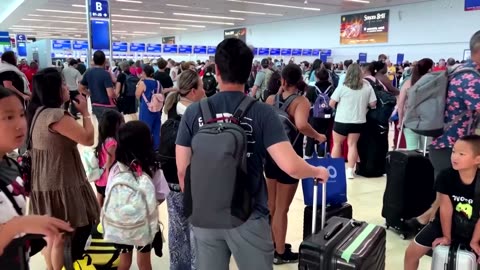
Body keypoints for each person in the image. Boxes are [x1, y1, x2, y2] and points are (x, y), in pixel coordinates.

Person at [175, 38, 329, 270]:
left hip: (204, 216)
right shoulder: (262, 113)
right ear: (250, 72)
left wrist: (202, 202)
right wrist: (317, 170)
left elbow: (182, 170)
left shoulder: (193, 112)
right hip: (248, 215)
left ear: (216, 70)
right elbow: (290, 166)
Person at [406, 30, 480, 231]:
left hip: (445, 144)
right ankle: (432, 233)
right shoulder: (471, 80)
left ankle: (422, 222)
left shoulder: (458, 70)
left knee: (444, 195)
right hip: (453, 148)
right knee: (449, 197)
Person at [27, 68, 100, 270]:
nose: (67, 87)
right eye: (63, 84)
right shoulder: (56, 116)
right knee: (60, 235)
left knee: (52, 235)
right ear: (55, 89)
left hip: (44, 181)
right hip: (59, 180)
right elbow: (88, 138)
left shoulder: (38, 111)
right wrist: (86, 113)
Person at [0, 86, 73, 269]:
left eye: (22, 114)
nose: (20, 124)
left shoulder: (12, 166)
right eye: (8, 117)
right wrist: (19, 226)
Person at [264, 64, 327, 265]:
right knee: (282, 209)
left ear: (282, 80)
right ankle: (280, 252)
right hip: (290, 157)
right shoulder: (301, 101)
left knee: (271, 206)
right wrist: (317, 136)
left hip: (271, 156)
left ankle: (273, 244)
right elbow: (300, 125)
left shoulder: (270, 100)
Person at [404, 135, 480, 270]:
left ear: (477, 159)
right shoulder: (446, 176)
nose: (454, 157)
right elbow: (445, 208)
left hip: (475, 226)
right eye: (453, 151)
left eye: (462, 154)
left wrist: (474, 241)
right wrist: (446, 236)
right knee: (411, 254)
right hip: (445, 223)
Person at [109, 121, 169, 270]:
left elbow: (109, 192)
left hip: (121, 224)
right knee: (144, 263)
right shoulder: (153, 168)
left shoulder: (117, 168)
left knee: (124, 262)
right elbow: (161, 194)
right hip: (144, 224)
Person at [161, 69, 205, 270]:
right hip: (190, 180)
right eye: (202, 86)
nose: (204, 89)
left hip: (170, 179)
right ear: (194, 91)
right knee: (197, 230)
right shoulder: (197, 115)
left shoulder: (170, 108)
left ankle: (178, 266)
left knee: (177, 228)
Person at [329, 63, 377, 179]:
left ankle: (335, 170)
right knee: (352, 145)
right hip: (358, 121)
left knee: (337, 144)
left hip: (341, 120)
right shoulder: (367, 86)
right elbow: (373, 104)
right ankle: (350, 171)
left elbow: (331, 103)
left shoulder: (342, 87)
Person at [397, 58, 434, 150]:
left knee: (411, 150)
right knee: (426, 150)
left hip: (410, 120)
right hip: (427, 121)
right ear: (429, 69)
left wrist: (400, 121)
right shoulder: (432, 83)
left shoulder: (407, 83)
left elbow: (400, 104)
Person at [94, 110, 124, 207]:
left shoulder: (103, 139)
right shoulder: (113, 143)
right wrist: (110, 180)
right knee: (108, 201)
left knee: (99, 197)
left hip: (99, 178)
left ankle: (99, 219)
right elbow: (109, 163)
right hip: (106, 179)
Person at [79, 51, 117, 124]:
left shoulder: (88, 72)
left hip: (95, 104)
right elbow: (110, 94)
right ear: (104, 60)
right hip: (108, 105)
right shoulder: (105, 74)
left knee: (102, 126)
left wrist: (90, 93)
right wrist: (116, 95)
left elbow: (80, 88)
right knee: (113, 128)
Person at [305, 68, 334, 157]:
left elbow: (307, 103)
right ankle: (321, 155)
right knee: (323, 136)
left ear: (317, 77)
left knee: (311, 136)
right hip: (327, 117)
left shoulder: (312, 89)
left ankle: (308, 155)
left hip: (314, 116)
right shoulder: (332, 89)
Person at [136, 65, 163, 150]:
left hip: (146, 109)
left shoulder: (142, 83)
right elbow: (161, 93)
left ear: (144, 73)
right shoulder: (158, 83)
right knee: (156, 129)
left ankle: (145, 148)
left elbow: (137, 95)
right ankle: (156, 148)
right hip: (156, 109)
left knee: (144, 129)